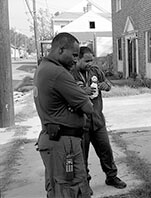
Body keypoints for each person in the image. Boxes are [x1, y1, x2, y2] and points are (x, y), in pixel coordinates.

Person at [34, 32, 94, 198]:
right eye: (74, 55)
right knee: (71, 189)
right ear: (60, 50)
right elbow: (88, 106)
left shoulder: (43, 67)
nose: (76, 60)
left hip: (53, 137)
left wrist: (70, 104)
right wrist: (75, 103)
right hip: (64, 142)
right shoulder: (59, 73)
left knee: (57, 188)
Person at [71, 46, 127, 190]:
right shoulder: (70, 73)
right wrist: (82, 91)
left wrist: (105, 86)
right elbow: (67, 95)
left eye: (91, 60)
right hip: (81, 123)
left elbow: (108, 85)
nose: (90, 63)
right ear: (77, 58)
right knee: (82, 156)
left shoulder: (95, 71)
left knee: (106, 151)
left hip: (97, 120)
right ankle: (85, 183)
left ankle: (112, 177)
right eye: (87, 60)